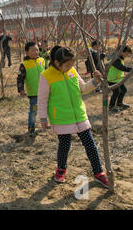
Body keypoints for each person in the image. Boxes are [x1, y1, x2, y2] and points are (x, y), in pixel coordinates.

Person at [38, 46, 109, 188]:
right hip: (61, 117)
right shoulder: (46, 76)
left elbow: (83, 88)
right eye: (68, 64)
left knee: (90, 144)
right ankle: (61, 170)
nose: (70, 67)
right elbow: (42, 99)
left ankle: (98, 172)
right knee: (64, 145)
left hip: (79, 114)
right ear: (57, 63)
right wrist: (43, 118)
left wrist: (95, 81)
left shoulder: (72, 71)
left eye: (72, 64)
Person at [17, 42, 47, 137]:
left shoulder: (42, 61)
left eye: (37, 50)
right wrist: (21, 89)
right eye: (33, 50)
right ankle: (31, 127)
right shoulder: (24, 64)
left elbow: (47, 73)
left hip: (45, 91)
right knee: (34, 111)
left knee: (47, 108)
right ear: (27, 52)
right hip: (33, 93)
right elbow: (20, 78)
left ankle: (47, 124)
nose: (35, 52)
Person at [107, 45, 133, 113]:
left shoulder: (119, 58)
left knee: (123, 90)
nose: (126, 55)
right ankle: (111, 106)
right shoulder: (114, 59)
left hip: (118, 79)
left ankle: (119, 103)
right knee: (116, 92)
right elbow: (121, 67)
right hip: (112, 79)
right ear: (121, 51)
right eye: (126, 53)